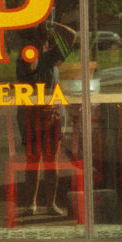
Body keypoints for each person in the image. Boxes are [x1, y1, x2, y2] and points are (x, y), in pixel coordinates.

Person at [14, 20, 77, 217]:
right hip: (31, 115)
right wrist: (36, 46)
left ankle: (50, 203)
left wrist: (52, 24)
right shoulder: (26, 58)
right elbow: (31, 67)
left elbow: (72, 36)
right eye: (38, 40)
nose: (42, 44)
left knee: (51, 161)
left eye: (44, 40)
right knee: (33, 160)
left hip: (51, 113)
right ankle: (31, 204)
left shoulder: (51, 56)